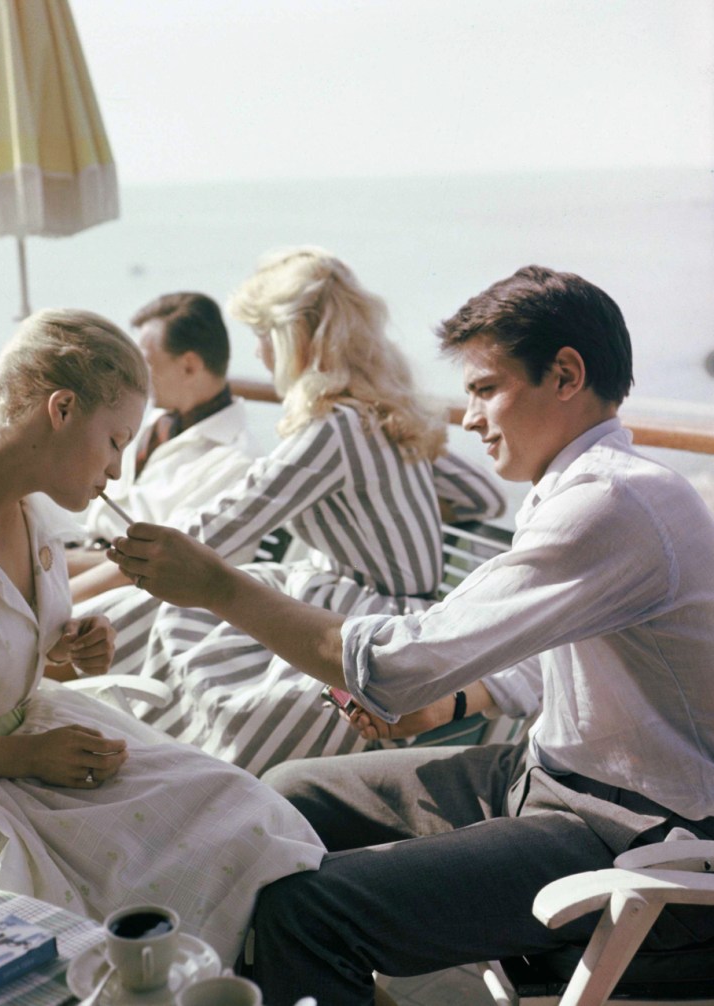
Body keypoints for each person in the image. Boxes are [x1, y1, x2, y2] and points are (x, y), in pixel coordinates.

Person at [108, 264, 714, 1004]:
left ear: (565, 375)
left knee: (306, 913)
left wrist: (219, 586)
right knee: (283, 795)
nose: (471, 419)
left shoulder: (614, 503)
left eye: (487, 389)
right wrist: (451, 706)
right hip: (549, 778)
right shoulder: (583, 490)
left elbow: (390, 668)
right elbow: (549, 658)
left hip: (634, 835)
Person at [0, 309, 325, 965]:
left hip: (35, 744)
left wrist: (62, 650)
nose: (117, 471)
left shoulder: (25, 505)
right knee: (176, 872)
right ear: (60, 409)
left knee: (248, 813)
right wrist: (28, 759)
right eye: (116, 441)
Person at [82, 247, 521, 777]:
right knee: (189, 621)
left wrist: (72, 591)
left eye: (264, 337)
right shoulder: (383, 417)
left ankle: (142, 764)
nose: (262, 356)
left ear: (292, 340)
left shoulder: (332, 429)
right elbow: (486, 498)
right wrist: (392, 499)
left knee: (179, 623)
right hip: (396, 613)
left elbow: (217, 530)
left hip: (359, 626)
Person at [67, 291, 255, 603]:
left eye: (147, 364)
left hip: (121, 593)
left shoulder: (236, 463)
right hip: (76, 552)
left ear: (190, 366)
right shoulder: (150, 420)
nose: (138, 377)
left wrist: (48, 567)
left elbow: (157, 565)